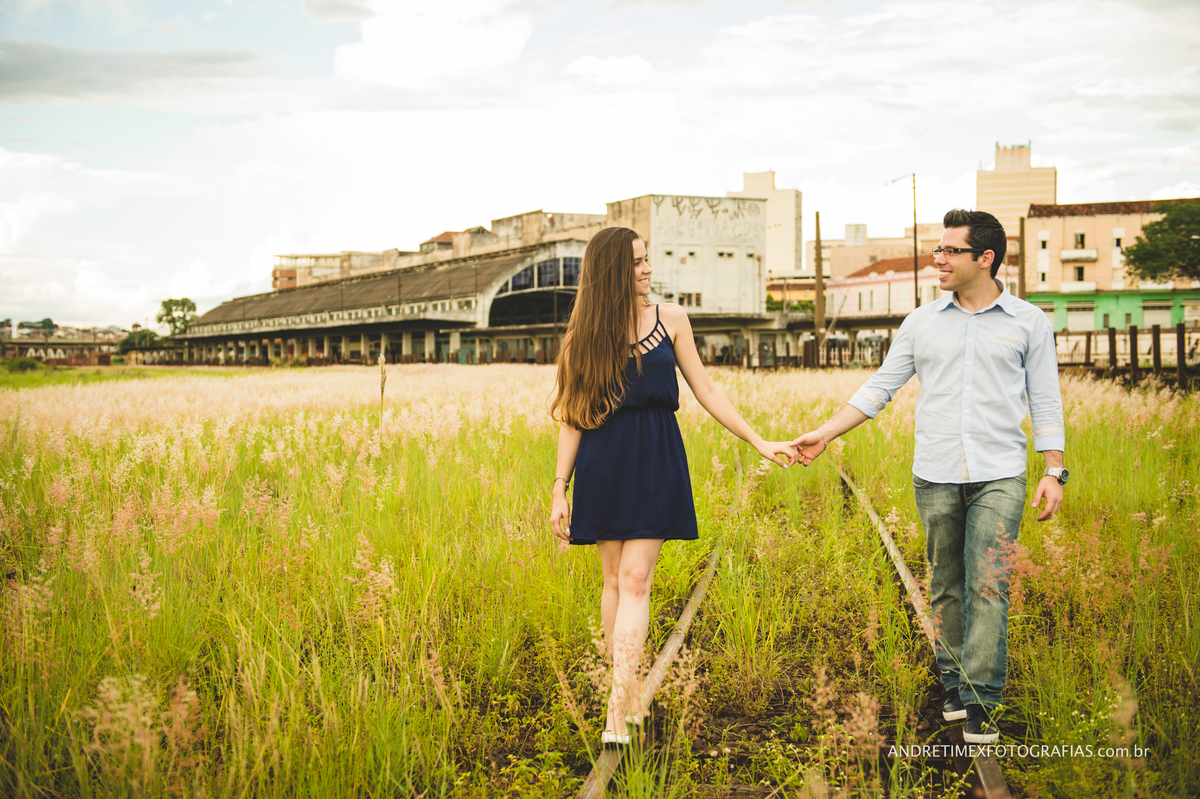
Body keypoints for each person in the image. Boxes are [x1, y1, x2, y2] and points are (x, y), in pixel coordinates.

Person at [791, 209, 1067, 745]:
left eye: (949, 251)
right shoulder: (921, 322)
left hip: (1000, 472)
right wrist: (824, 434)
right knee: (945, 584)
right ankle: (954, 681)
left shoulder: (1029, 321)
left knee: (989, 583)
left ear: (984, 258)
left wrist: (1054, 470)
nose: (937, 259)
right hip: (935, 472)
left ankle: (981, 698)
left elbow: (1046, 400)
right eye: (936, 249)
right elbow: (880, 388)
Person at [548, 226, 795, 746]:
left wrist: (757, 440)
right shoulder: (580, 337)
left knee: (636, 578)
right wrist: (558, 489)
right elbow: (571, 417)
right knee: (613, 581)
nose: (646, 269)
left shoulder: (672, 319)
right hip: (603, 462)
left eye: (646, 259)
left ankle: (617, 708)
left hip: (655, 457)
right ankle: (627, 689)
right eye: (636, 262)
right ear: (612, 271)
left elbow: (706, 389)